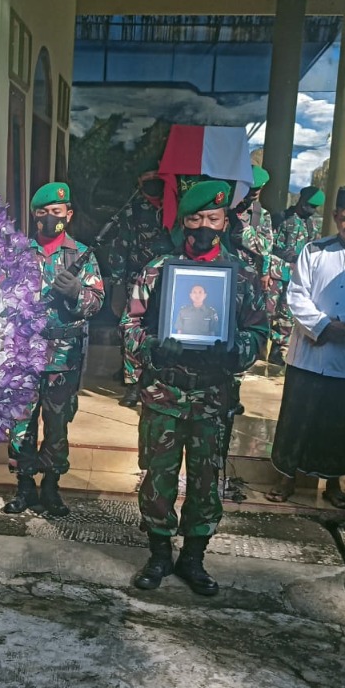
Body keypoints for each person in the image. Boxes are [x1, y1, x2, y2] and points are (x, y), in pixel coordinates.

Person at [123, 180, 268, 593]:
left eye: (213, 218)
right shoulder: (157, 269)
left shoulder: (242, 276)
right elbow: (129, 324)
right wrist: (153, 350)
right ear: (183, 222)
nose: (204, 226)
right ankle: (158, 556)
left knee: (207, 483)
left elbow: (259, 334)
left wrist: (232, 350)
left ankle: (193, 559)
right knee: (157, 480)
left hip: (213, 397)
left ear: (225, 222)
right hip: (165, 396)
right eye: (195, 218)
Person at [266, 184, 345, 508]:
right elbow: (296, 294)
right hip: (309, 353)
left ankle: (334, 484)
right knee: (296, 420)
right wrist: (323, 325)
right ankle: (286, 478)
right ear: (335, 216)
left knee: (338, 424)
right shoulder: (314, 250)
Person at [4, 181, 104, 517]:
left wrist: (77, 291)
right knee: (21, 423)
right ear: (34, 216)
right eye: (43, 212)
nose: (50, 218)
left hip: (63, 356)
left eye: (57, 212)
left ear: (69, 214)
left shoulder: (82, 255)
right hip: (24, 355)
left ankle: (51, 486)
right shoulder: (18, 254)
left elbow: (96, 304)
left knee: (57, 424)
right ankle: (23, 485)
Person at [108, 172, 167, 408]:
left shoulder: (174, 207)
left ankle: (155, 379)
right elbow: (120, 247)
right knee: (131, 327)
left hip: (167, 280)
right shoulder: (133, 210)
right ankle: (133, 385)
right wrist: (116, 281)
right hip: (137, 278)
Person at [266, 185, 325, 361]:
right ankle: (259, 345)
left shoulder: (311, 225)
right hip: (276, 272)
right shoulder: (280, 218)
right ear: (302, 201)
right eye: (310, 206)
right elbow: (269, 246)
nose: (313, 210)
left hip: (296, 277)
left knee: (287, 313)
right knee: (267, 311)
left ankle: (278, 350)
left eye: (315, 208)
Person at [230, 164, 274, 278]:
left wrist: (243, 229)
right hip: (225, 268)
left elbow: (266, 249)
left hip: (248, 274)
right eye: (251, 189)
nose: (255, 193)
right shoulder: (224, 209)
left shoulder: (261, 215)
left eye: (258, 189)